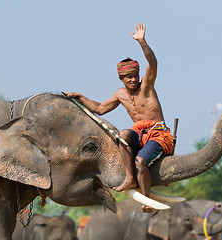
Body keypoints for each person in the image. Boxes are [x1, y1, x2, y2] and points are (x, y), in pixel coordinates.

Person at [65, 22, 174, 213]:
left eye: (135, 75)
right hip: (139, 135)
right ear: (121, 79)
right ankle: (129, 178)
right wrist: (80, 97)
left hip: (157, 135)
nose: (133, 79)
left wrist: (142, 42)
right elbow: (99, 108)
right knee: (123, 133)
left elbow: (153, 63)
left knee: (140, 161)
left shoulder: (146, 86)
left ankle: (146, 200)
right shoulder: (120, 94)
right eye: (128, 77)